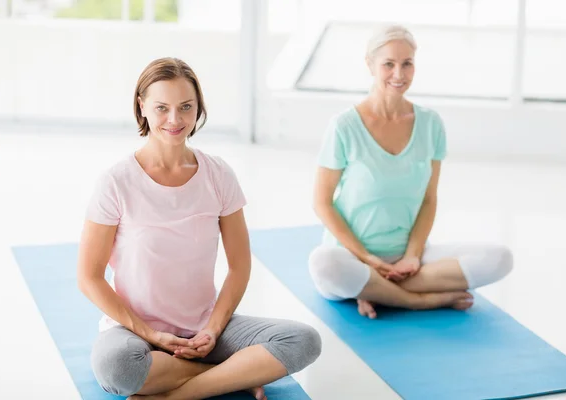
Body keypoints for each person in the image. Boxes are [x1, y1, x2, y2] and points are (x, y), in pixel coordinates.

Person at [77, 57, 321, 400]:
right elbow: (89, 276)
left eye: (186, 107)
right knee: (118, 369)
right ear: (142, 106)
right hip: (134, 333)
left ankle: (179, 394)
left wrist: (213, 329)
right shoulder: (115, 182)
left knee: (303, 341)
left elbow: (239, 265)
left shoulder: (218, 175)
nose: (175, 120)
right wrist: (151, 334)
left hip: (206, 329)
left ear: (198, 108)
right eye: (162, 107)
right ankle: (235, 374)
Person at [309, 25, 513, 319]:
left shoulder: (431, 125)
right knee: (323, 264)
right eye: (388, 64)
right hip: (352, 257)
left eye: (407, 64)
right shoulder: (344, 126)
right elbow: (322, 202)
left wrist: (413, 256)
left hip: (409, 258)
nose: (399, 74)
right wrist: (366, 260)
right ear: (370, 64)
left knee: (500, 259)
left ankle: (377, 292)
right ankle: (419, 300)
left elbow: (429, 199)